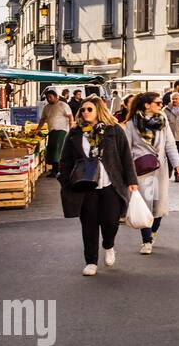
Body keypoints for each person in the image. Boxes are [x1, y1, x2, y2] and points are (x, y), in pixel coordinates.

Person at [59, 96, 139, 276]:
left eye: (89, 109)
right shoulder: (75, 133)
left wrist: (132, 180)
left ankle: (109, 245)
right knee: (89, 224)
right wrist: (64, 180)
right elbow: (65, 160)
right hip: (85, 186)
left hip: (110, 183)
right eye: (83, 110)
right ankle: (91, 261)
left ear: (98, 111)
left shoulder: (114, 130)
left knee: (111, 221)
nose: (85, 112)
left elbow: (126, 156)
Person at [123, 91, 179, 255]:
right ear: (147, 105)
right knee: (145, 204)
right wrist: (128, 172)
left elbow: (170, 144)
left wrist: (177, 163)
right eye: (157, 103)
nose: (160, 105)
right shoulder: (131, 124)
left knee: (159, 205)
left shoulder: (163, 121)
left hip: (161, 167)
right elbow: (126, 149)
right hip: (141, 169)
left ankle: (153, 231)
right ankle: (146, 240)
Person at [40, 87, 73, 178]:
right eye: (47, 97)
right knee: (51, 150)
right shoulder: (46, 107)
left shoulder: (63, 105)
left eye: (50, 97)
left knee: (57, 150)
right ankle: (56, 168)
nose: (48, 99)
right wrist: (38, 129)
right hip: (52, 131)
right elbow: (43, 119)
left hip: (62, 130)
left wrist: (71, 128)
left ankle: (56, 171)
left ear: (56, 97)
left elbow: (70, 117)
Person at [164, 91, 179, 181]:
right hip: (169, 138)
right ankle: (168, 174)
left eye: (176, 98)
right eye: (172, 99)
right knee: (169, 156)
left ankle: (178, 175)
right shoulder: (165, 109)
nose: (174, 100)